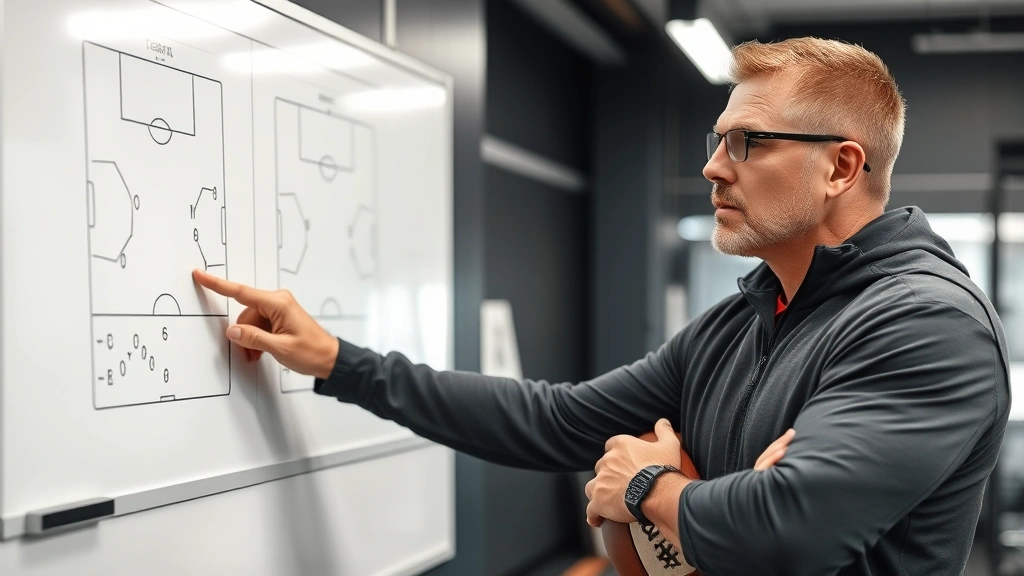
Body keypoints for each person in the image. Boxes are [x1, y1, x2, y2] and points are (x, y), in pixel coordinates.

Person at [191, 37, 1011, 576]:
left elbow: (786, 530)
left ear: (840, 167)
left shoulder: (922, 325)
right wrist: (339, 361)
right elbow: (555, 421)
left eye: (747, 143)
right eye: (715, 141)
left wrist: (645, 481)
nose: (714, 169)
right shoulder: (747, 318)